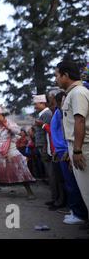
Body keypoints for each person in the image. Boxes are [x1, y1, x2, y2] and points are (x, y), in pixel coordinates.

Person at [55, 60, 89, 218]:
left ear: (66, 75)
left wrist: (76, 149)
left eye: (57, 75)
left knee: (87, 191)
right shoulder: (73, 93)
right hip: (76, 147)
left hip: (83, 149)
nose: (56, 80)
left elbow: (80, 121)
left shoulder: (78, 93)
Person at [49, 91, 88, 224]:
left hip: (67, 151)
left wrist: (68, 150)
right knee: (68, 182)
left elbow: (70, 132)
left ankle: (79, 213)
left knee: (73, 183)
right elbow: (58, 134)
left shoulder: (65, 110)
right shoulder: (58, 112)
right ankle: (75, 210)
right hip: (61, 150)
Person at [0, 107, 36, 199]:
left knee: (20, 170)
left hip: (10, 150)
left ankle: (30, 192)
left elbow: (19, 132)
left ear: (1, 115)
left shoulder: (9, 122)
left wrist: (6, 125)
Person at [43, 91, 66, 210]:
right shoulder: (55, 113)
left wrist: (44, 126)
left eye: (52, 102)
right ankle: (58, 200)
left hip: (60, 149)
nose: (51, 105)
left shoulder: (59, 113)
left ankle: (61, 202)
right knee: (58, 178)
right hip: (56, 149)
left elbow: (59, 133)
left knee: (62, 179)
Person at [33, 94, 52, 185]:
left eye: (36, 104)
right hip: (42, 145)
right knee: (48, 171)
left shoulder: (47, 114)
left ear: (42, 103)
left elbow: (48, 132)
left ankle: (56, 197)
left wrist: (45, 146)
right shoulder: (42, 114)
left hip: (45, 145)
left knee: (50, 171)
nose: (35, 107)